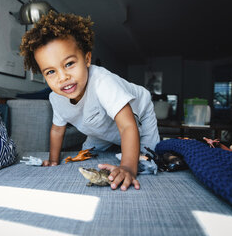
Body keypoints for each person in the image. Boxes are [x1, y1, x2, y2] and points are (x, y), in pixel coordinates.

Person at [20, 11, 160, 191]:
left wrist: (127, 167)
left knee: (149, 159)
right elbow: (57, 130)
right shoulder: (55, 97)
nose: (63, 77)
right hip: (99, 124)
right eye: (51, 72)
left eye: (69, 64)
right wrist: (53, 160)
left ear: (87, 59)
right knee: (88, 156)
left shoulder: (103, 82)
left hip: (137, 114)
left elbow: (127, 126)